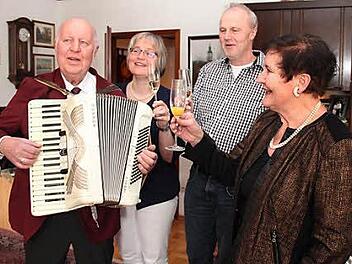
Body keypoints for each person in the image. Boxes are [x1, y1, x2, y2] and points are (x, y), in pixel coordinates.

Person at [171, 34, 352, 263]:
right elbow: (232, 171)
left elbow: (333, 243)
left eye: (268, 71)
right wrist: (197, 138)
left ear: (301, 82)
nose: (259, 78)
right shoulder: (267, 121)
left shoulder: (334, 145)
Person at [0, 18, 157, 264]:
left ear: (94, 50)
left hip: (96, 217)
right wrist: (6, 144)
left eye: (83, 43)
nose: (75, 49)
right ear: (57, 47)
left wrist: (143, 163)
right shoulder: (33, 88)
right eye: (68, 41)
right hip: (44, 215)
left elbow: (133, 158)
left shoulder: (112, 94)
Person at [184, 4, 266, 264]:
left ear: (252, 32)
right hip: (198, 181)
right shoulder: (208, 72)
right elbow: (193, 118)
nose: (227, 36)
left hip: (236, 186)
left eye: (234, 30)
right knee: (197, 256)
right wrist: (182, 121)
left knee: (233, 258)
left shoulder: (268, 76)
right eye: (222, 30)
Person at [115, 32, 180, 264]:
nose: (140, 56)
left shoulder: (171, 99)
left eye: (148, 52)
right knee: (129, 255)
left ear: (159, 60)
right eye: (135, 50)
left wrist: (164, 127)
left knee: (153, 258)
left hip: (157, 191)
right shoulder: (113, 94)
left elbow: (168, 157)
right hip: (120, 192)